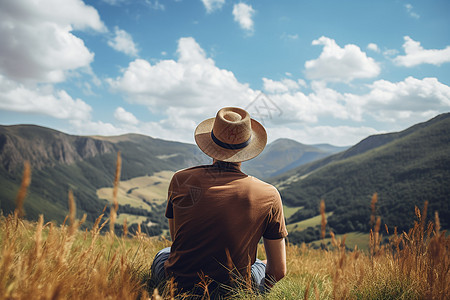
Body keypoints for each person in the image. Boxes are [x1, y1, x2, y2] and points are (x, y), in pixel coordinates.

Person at [150, 107, 288, 297]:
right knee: (260, 264)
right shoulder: (269, 195)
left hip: (178, 286)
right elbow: (279, 272)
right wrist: (253, 294)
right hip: (233, 291)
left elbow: (177, 243)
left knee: (163, 253)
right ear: (247, 148)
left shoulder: (180, 179)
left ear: (211, 145)